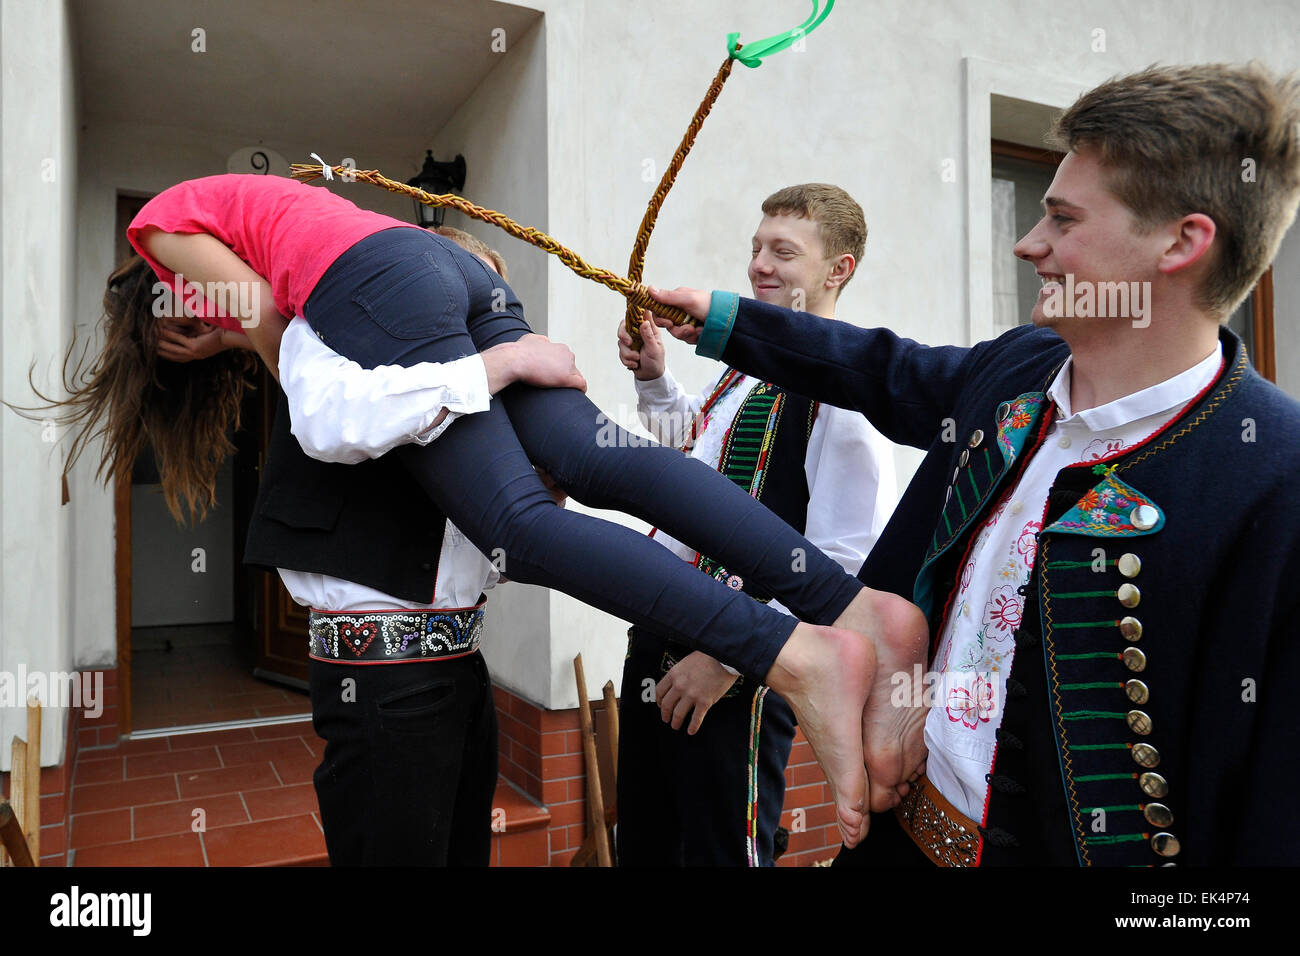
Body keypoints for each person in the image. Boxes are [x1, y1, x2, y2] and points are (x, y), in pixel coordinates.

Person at [44, 173, 928, 852]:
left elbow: (295, 358)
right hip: (460, 280)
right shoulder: (315, 227)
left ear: (165, 296)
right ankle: (853, 613)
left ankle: (795, 652)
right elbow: (288, 317)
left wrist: (253, 332)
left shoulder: (159, 227)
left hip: (404, 316)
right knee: (592, 459)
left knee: (520, 529)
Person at [649, 63, 1300, 866]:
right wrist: (719, 320)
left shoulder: (1277, 477)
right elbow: (877, 366)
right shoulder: (1019, 370)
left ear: (1182, 242)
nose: (1029, 244)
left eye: (1061, 220)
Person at [614, 184, 897, 866]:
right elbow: (698, 466)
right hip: (662, 635)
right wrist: (656, 380)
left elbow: (843, 559)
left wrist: (729, 657)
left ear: (839, 270)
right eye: (756, 248)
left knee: (721, 852)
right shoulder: (745, 373)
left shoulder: (844, 392)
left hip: (737, 666)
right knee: (647, 842)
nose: (759, 266)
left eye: (783, 251)